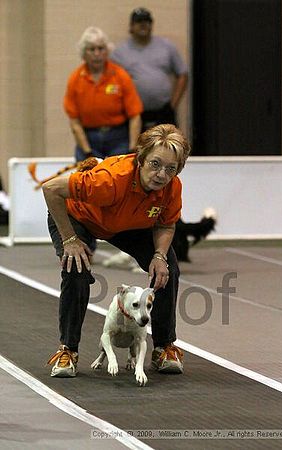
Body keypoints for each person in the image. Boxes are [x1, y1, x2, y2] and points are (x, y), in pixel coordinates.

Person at [43, 124, 190, 378]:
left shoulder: (171, 188)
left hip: (126, 224)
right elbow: (51, 189)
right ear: (141, 159)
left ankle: (164, 348)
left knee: (168, 270)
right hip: (79, 218)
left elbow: (166, 223)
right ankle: (68, 350)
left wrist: (159, 256)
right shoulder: (111, 179)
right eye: (155, 164)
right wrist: (69, 239)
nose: (161, 175)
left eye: (170, 168)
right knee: (75, 268)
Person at [64, 26, 143, 161]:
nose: (97, 53)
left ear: (107, 51)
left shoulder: (120, 75)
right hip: (89, 138)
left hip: (119, 139)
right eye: (92, 49)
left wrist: (132, 149)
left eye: (101, 48)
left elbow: (135, 116)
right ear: (84, 53)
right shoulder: (75, 79)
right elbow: (74, 121)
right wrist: (87, 152)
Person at [111, 7, 188, 131]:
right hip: (133, 115)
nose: (143, 25)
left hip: (164, 112)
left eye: (146, 21)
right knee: (137, 150)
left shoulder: (166, 46)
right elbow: (111, 82)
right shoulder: (119, 52)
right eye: (139, 21)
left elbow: (182, 74)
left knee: (167, 149)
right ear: (131, 26)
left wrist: (173, 105)